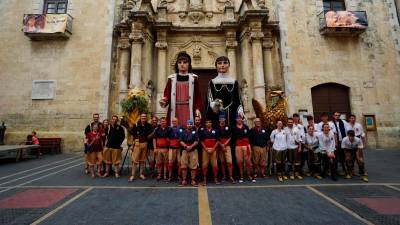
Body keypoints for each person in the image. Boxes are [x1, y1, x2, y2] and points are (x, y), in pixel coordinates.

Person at [160, 52, 202, 127]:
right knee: (175, 127)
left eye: (185, 62)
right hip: (175, 108)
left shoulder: (194, 78)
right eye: (179, 62)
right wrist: (164, 101)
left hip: (189, 108)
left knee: (189, 127)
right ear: (177, 65)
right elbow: (167, 94)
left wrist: (197, 109)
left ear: (189, 65)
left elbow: (198, 96)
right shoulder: (171, 79)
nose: (182, 64)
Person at [206, 56, 244, 127]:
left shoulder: (234, 82)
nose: (222, 65)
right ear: (216, 66)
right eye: (219, 63)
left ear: (229, 65)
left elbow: (238, 99)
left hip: (232, 113)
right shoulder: (212, 82)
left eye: (225, 63)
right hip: (216, 113)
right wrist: (215, 106)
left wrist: (240, 110)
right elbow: (209, 99)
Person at [129, 113, 152, 181]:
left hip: (145, 143)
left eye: (145, 116)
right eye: (142, 116)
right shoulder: (136, 125)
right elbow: (132, 135)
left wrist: (154, 132)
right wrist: (131, 144)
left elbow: (149, 136)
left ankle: (141, 174)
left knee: (142, 160)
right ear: (140, 117)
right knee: (135, 160)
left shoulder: (148, 125)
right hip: (137, 144)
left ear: (146, 117)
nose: (143, 118)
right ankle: (133, 175)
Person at [232, 114, 252, 183]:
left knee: (247, 161)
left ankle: (249, 175)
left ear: (242, 119)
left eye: (240, 118)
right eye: (237, 118)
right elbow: (233, 138)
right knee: (239, 162)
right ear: (236, 120)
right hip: (238, 146)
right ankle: (241, 176)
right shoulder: (234, 128)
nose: (239, 119)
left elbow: (249, 136)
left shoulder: (246, 127)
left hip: (246, 145)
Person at [200, 119, 220, 185]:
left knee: (215, 165)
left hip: (213, 150)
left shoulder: (215, 131)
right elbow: (201, 141)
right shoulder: (203, 131)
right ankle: (204, 179)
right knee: (204, 165)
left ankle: (215, 178)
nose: (208, 123)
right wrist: (206, 149)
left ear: (211, 123)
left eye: (209, 122)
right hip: (205, 150)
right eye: (207, 122)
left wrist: (213, 149)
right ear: (205, 124)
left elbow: (217, 141)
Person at [179, 120, 199, 187]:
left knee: (193, 166)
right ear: (186, 125)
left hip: (193, 150)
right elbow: (181, 141)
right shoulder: (183, 132)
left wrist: (191, 147)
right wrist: (186, 146)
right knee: (184, 166)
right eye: (188, 124)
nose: (189, 125)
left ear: (192, 125)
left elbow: (196, 141)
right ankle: (184, 180)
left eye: (190, 124)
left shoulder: (195, 132)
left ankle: (193, 180)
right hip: (185, 150)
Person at [217, 115, 234, 183]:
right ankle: (224, 176)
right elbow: (216, 138)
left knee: (229, 162)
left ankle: (230, 176)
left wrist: (225, 144)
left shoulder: (228, 127)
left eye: (223, 119)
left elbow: (230, 136)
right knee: (222, 162)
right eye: (221, 119)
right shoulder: (217, 127)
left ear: (225, 120)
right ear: (219, 120)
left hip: (227, 146)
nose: (222, 120)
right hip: (220, 146)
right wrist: (221, 145)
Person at [168, 117, 183, 182]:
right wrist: (171, 142)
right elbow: (167, 137)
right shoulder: (169, 129)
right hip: (171, 148)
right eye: (173, 121)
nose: (174, 122)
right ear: (172, 122)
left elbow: (183, 136)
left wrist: (179, 140)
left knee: (179, 163)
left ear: (178, 121)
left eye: (175, 121)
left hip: (179, 148)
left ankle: (179, 176)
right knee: (170, 163)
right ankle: (170, 176)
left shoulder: (181, 128)